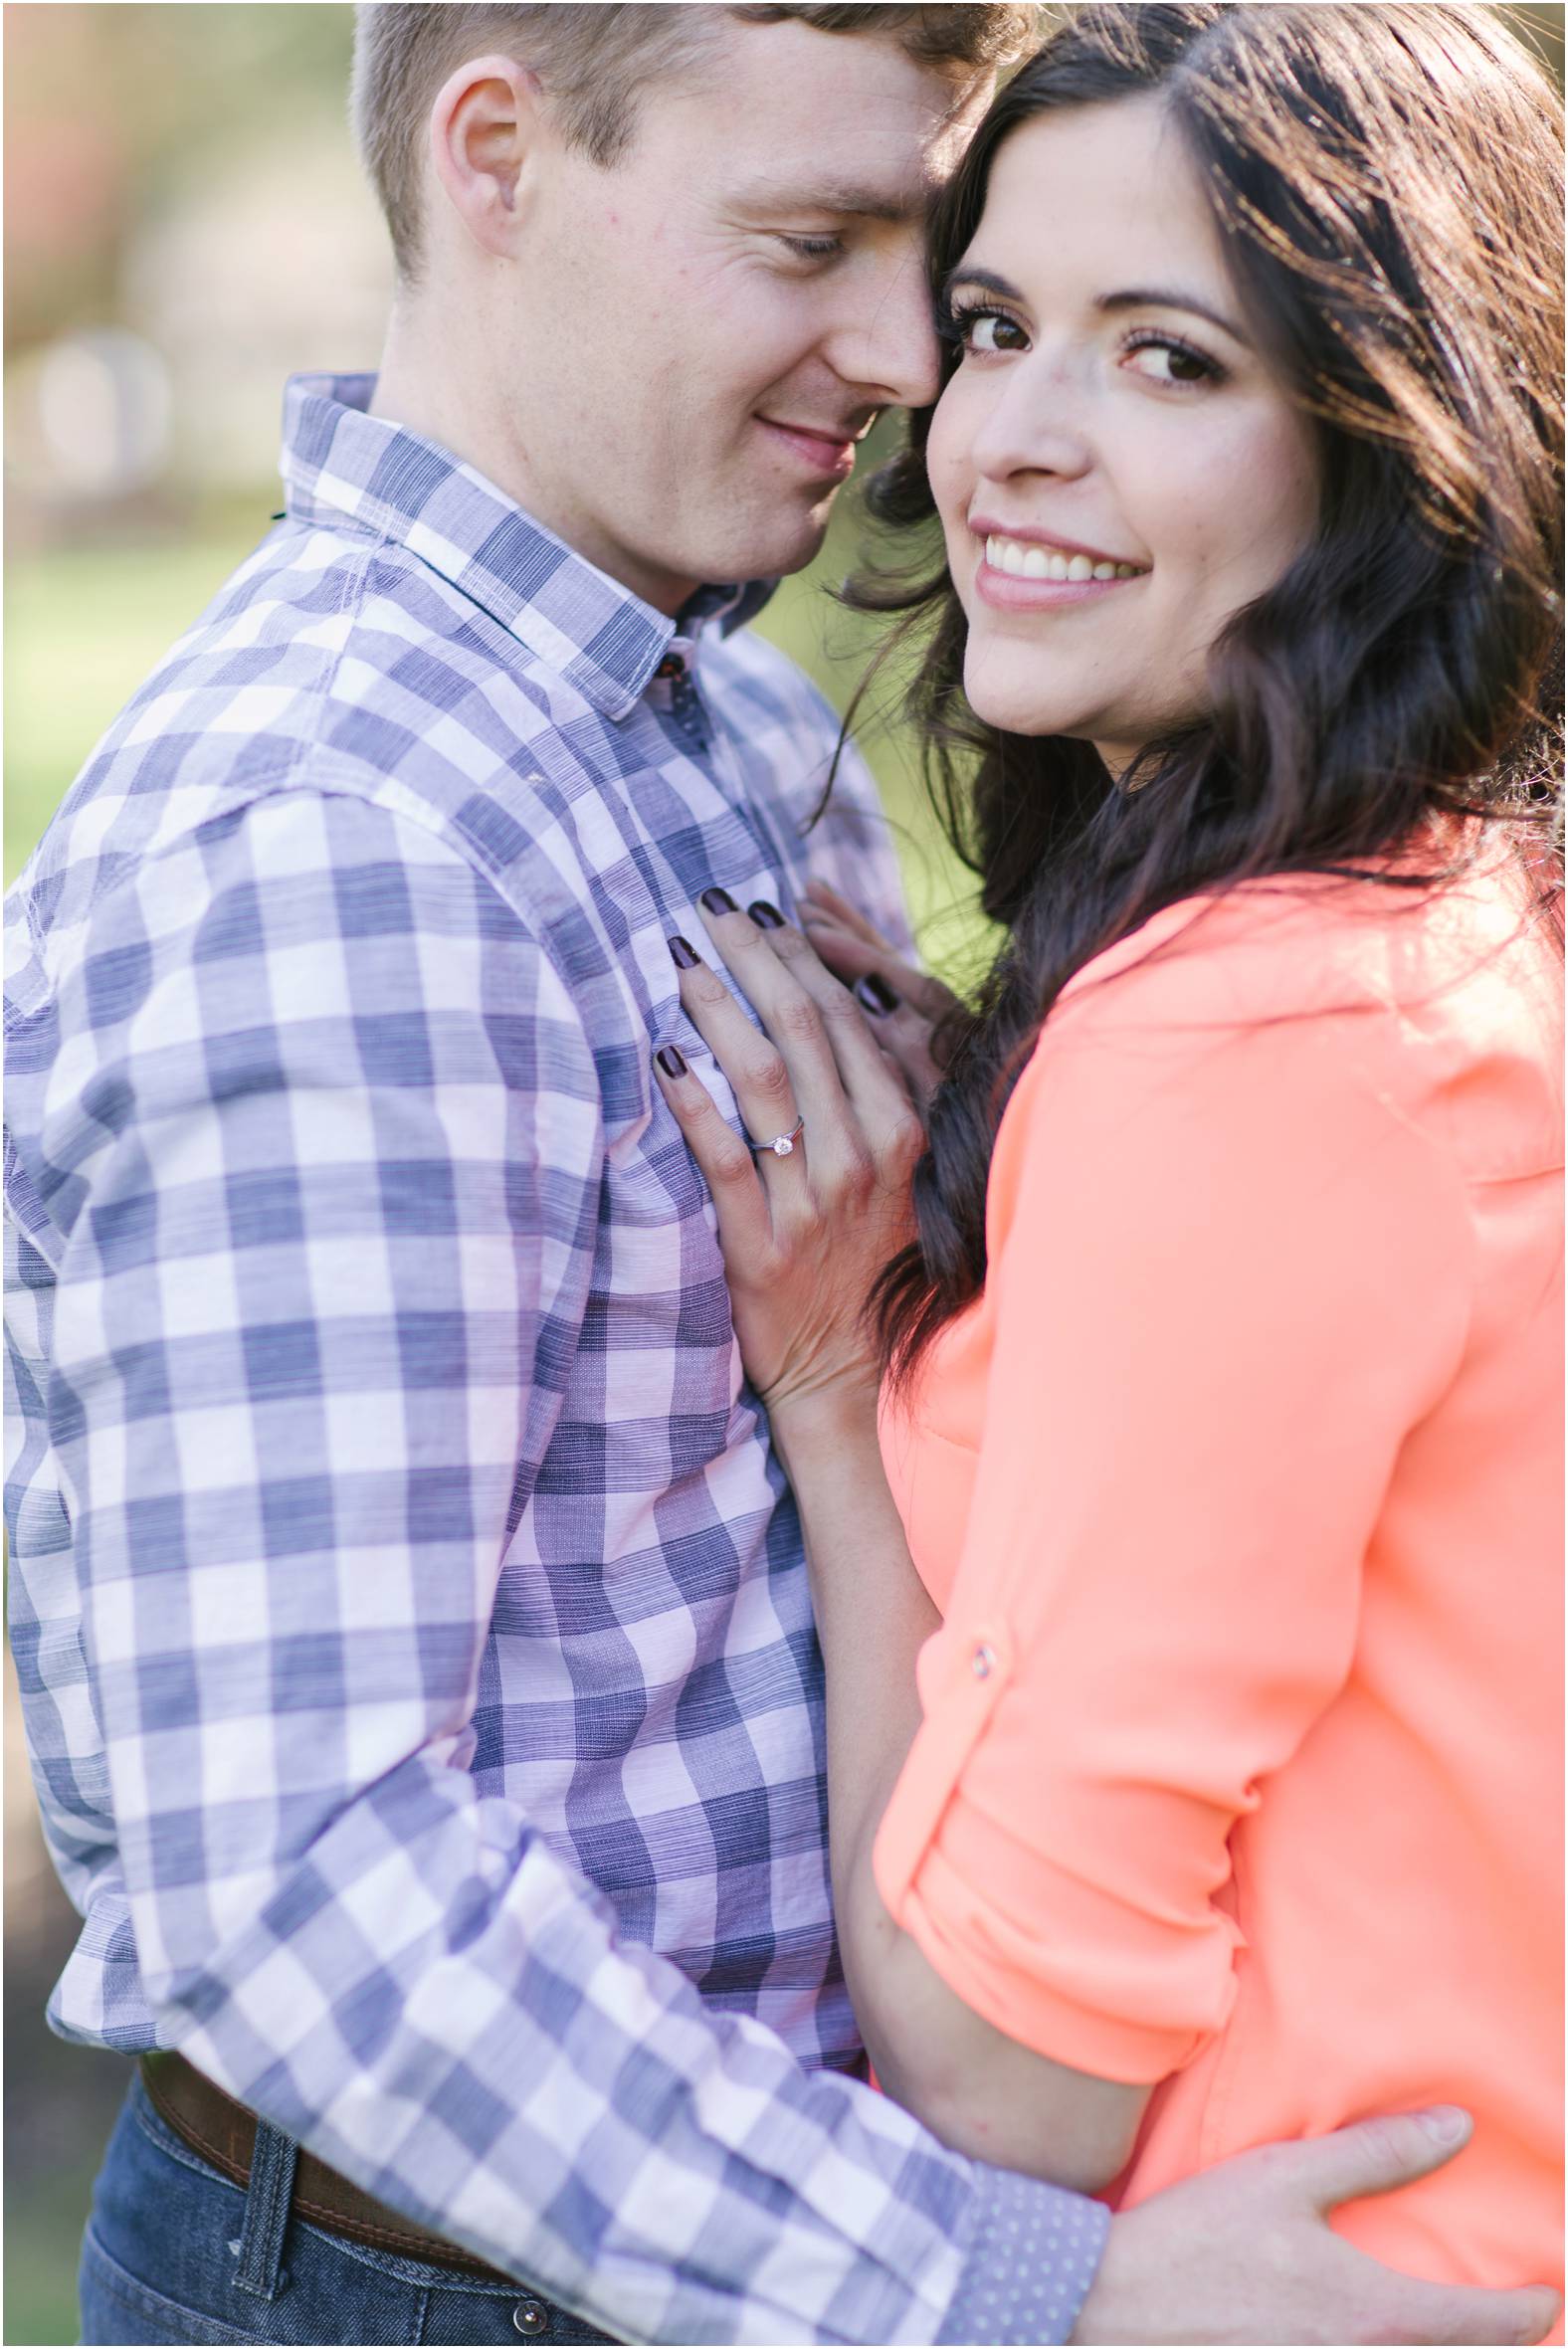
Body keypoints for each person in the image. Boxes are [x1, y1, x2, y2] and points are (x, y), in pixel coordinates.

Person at [3, 5, 1555, 2345]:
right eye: (812, 240)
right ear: (498, 156)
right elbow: (295, 1876)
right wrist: (1036, 2286)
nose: (905, 363)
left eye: (917, 257)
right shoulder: (332, 846)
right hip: (447, 2290)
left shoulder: (721, 725)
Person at [659, 0, 1564, 2331]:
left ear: (1383, 454)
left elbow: (1006, 2079)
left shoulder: (1243, 1040)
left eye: (1167, 362)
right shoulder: (1454, 905)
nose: (1009, 446)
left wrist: (837, 1406)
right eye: (991, 329)